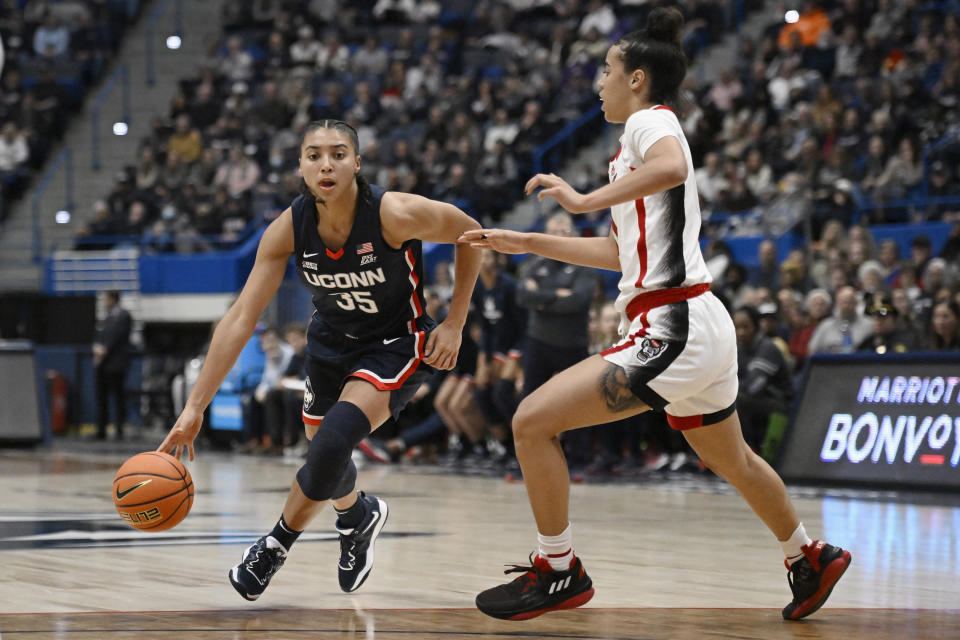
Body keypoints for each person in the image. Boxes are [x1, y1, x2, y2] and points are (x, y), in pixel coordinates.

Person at [459, 9, 850, 623]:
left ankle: (557, 569)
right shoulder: (633, 146)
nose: (598, 84)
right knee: (734, 459)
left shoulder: (650, 123)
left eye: (606, 71)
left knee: (531, 423)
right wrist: (527, 241)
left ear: (637, 78)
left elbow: (673, 165)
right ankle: (808, 556)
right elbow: (620, 253)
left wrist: (583, 199)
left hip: (672, 326)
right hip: (700, 320)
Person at [158, 120, 481, 600]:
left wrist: (454, 321)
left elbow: (471, 231)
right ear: (301, 167)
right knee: (323, 457)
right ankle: (356, 515)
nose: (326, 164)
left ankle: (275, 544)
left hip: (395, 341)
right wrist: (194, 407)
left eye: (337, 153)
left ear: (357, 162)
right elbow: (240, 318)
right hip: (330, 344)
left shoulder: (393, 212)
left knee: (331, 444)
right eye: (313, 155)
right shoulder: (289, 227)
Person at [93, 290, 133, 440]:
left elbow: (118, 336)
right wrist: (97, 348)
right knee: (101, 397)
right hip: (103, 364)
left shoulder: (123, 316)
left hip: (116, 365)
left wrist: (105, 349)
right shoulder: (106, 317)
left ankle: (119, 430)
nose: (104, 302)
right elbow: (99, 335)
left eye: (106, 299)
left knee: (118, 397)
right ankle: (101, 430)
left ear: (113, 299)